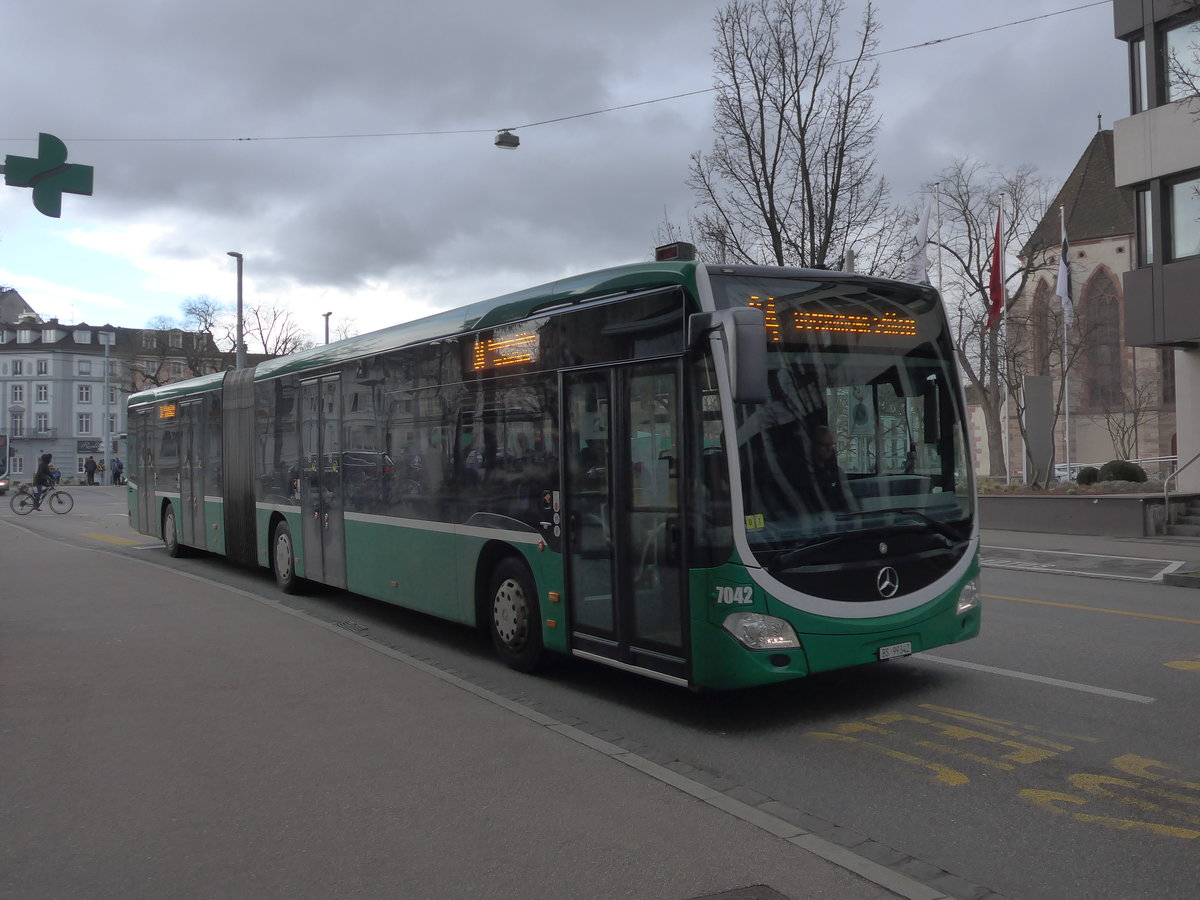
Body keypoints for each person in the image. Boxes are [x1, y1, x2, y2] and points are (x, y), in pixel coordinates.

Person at [807, 425, 855, 513]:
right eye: (824, 445)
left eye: (831, 444)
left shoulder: (836, 471)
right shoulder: (807, 473)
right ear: (814, 445)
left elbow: (846, 499)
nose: (829, 449)